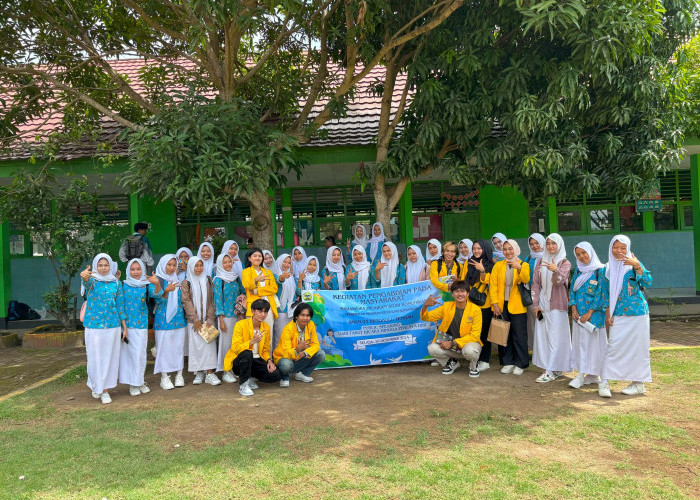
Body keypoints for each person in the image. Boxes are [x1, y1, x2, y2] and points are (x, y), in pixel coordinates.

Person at [598, 235, 653, 398]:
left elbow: (648, 282)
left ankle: (638, 383)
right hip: (618, 314)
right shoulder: (605, 269)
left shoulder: (634, 264)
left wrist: (637, 266)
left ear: (628, 248)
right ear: (610, 248)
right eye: (616, 247)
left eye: (623, 247)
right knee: (614, 346)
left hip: (638, 313)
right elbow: (604, 294)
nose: (619, 251)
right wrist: (608, 313)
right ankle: (605, 382)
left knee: (639, 348)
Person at [80, 253, 127, 404]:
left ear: (111, 266)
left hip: (113, 326)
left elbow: (120, 305)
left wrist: (124, 327)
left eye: (106, 265)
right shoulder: (92, 281)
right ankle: (97, 385)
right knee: (95, 357)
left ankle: (104, 389)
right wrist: (84, 277)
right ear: (95, 266)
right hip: (94, 326)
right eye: (100, 265)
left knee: (110, 358)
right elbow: (86, 283)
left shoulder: (116, 283)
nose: (103, 268)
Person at [532, 233, 572, 383]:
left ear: (559, 245)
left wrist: (556, 270)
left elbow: (558, 282)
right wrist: (535, 305)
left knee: (556, 338)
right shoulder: (541, 261)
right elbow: (535, 283)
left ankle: (551, 370)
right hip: (543, 304)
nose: (550, 246)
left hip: (557, 305)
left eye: (553, 243)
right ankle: (550, 368)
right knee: (543, 337)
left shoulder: (565, 262)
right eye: (548, 243)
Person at [421, 280, 483, 376]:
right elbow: (427, 317)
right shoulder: (446, 306)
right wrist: (425, 306)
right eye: (456, 291)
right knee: (432, 348)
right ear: (452, 294)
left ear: (468, 294)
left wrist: (452, 342)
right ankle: (451, 363)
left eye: (462, 291)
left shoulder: (475, 310)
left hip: (468, 344)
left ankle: (474, 366)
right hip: (453, 346)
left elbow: (475, 335)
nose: (460, 294)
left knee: (470, 351)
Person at [224, 299, 282, 396]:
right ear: (252, 311)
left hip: (257, 360)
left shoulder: (266, 327)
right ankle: (243, 384)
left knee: (276, 375)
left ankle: (250, 377)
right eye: (260, 311)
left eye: (265, 312)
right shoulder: (240, 325)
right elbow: (235, 348)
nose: (263, 315)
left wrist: (269, 361)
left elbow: (266, 349)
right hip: (240, 361)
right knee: (247, 353)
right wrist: (252, 341)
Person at [568, 242, 607, 390]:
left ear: (590, 252)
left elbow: (601, 293)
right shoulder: (578, 271)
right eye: (578, 254)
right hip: (579, 316)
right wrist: (573, 307)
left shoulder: (600, 270)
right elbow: (572, 290)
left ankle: (596, 375)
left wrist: (590, 312)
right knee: (581, 345)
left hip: (594, 316)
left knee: (597, 347)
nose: (582, 256)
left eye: (584, 253)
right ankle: (582, 375)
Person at [489, 239, 531, 375]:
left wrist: (518, 268)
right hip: (501, 305)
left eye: (510, 249)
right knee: (503, 334)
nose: (507, 252)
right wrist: (494, 304)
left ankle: (521, 363)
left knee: (519, 335)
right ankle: (507, 361)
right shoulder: (498, 265)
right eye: (505, 249)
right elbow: (493, 285)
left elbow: (525, 279)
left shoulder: (523, 264)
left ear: (516, 249)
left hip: (517, 305)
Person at [119, 258, 159, 396]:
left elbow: (158, 295)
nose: (136, 272)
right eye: (132, 269)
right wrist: (123, 325)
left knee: (140, 355)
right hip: (127, 326)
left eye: (138, 269)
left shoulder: (147, 285)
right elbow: (120, 305)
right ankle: (133, 384)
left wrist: (157, 283)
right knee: (129, 355)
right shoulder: (123, 286)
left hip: (141, 325)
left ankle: (140, 381)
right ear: (128, 270)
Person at [181, 256, 221, 386]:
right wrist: (195, 319)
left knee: (209, 347)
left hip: (208, 320)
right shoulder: (186, 282)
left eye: (201, 265)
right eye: (196, 266)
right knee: (196, 347)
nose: (199, 268)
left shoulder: (208, 280)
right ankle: (199, 372)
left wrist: (210, 318)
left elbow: (212, 299)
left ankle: (210, 373)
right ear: (191, 267)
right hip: (194, 322)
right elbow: (186, 301)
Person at [152, 254, 188, 390]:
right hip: (163, 321)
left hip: (179, 320)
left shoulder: (178, 280)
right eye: (169, 265)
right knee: (163, 349)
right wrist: (166, 290)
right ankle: (165, 376)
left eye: (174, 265)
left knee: (178, 348)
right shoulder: (157, 280)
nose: (172, 268)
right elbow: (156, 299)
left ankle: (179, 374)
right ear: (163, 264)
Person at [273, 303, 326, 387]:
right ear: (296, 316)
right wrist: (297, 349)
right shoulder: (288, 328)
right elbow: (286, 352)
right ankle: (285, 377)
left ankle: (302, 374)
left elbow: (316, 345)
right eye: (302, 315)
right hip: (286, 358)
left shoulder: (311, 324)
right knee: (286, 364)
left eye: (308, 315)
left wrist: (304, 353)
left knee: (321, 354)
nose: (305, 318)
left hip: (300, 357)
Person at [466, 240, 495, 372]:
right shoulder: (470, 263)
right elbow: (466, 282)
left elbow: (492, 283)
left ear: (485, 249)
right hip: (471, 304)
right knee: (474, 332)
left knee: (484, 333)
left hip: (485, 304)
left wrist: (483, 270)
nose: (476, 251)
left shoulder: (491, 264)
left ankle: (485, 360)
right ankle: (475, 357)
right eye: (474, 248)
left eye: (479, 248)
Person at [213, 253, 242, 384]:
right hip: (225, 317)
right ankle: (225, 371)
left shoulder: (236, 278)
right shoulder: (218, 280)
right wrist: (221, 319)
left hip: (236, 316)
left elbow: (241, 294)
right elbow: (218, 300)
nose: (227, 264)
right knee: (225, 345)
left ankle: (232, 369)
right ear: (220, 264)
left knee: (234, 344)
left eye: (229, 262)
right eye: (224, 262)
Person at [242, 247, 279, 332]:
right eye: (254, 256)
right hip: (254, 307)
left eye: (259, 256)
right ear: (249, 258)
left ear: (262, 258)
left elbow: (274, 288)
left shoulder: (268, 272)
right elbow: (247, 285)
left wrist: (257, 291)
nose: (257, 258)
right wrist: (255, 280)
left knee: (268, 332)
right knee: (254, 333)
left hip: (268, 306)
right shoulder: (246, 272)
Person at [524, 233, 546, 349]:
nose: (534, 246)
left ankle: (545, 347)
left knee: (545, 320)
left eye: (537, 243)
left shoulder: (548, 257)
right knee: (533, 321)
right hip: (531, 295)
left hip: (546, 295)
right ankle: (534, 347)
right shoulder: (528, 259)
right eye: (531, 244)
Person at [272, 253, 296, 351]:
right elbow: (279, 280)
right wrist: (282, 277)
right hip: (280, 311)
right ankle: (278, 359)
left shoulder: (291, 277)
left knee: (289, 336)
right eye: (284, 262)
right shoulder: (274, 275)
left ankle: (288, 357)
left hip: (291, 311)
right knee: (280, 336)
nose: (286, 264)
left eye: (289, 263)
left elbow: (295, 293)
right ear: (279, 262)